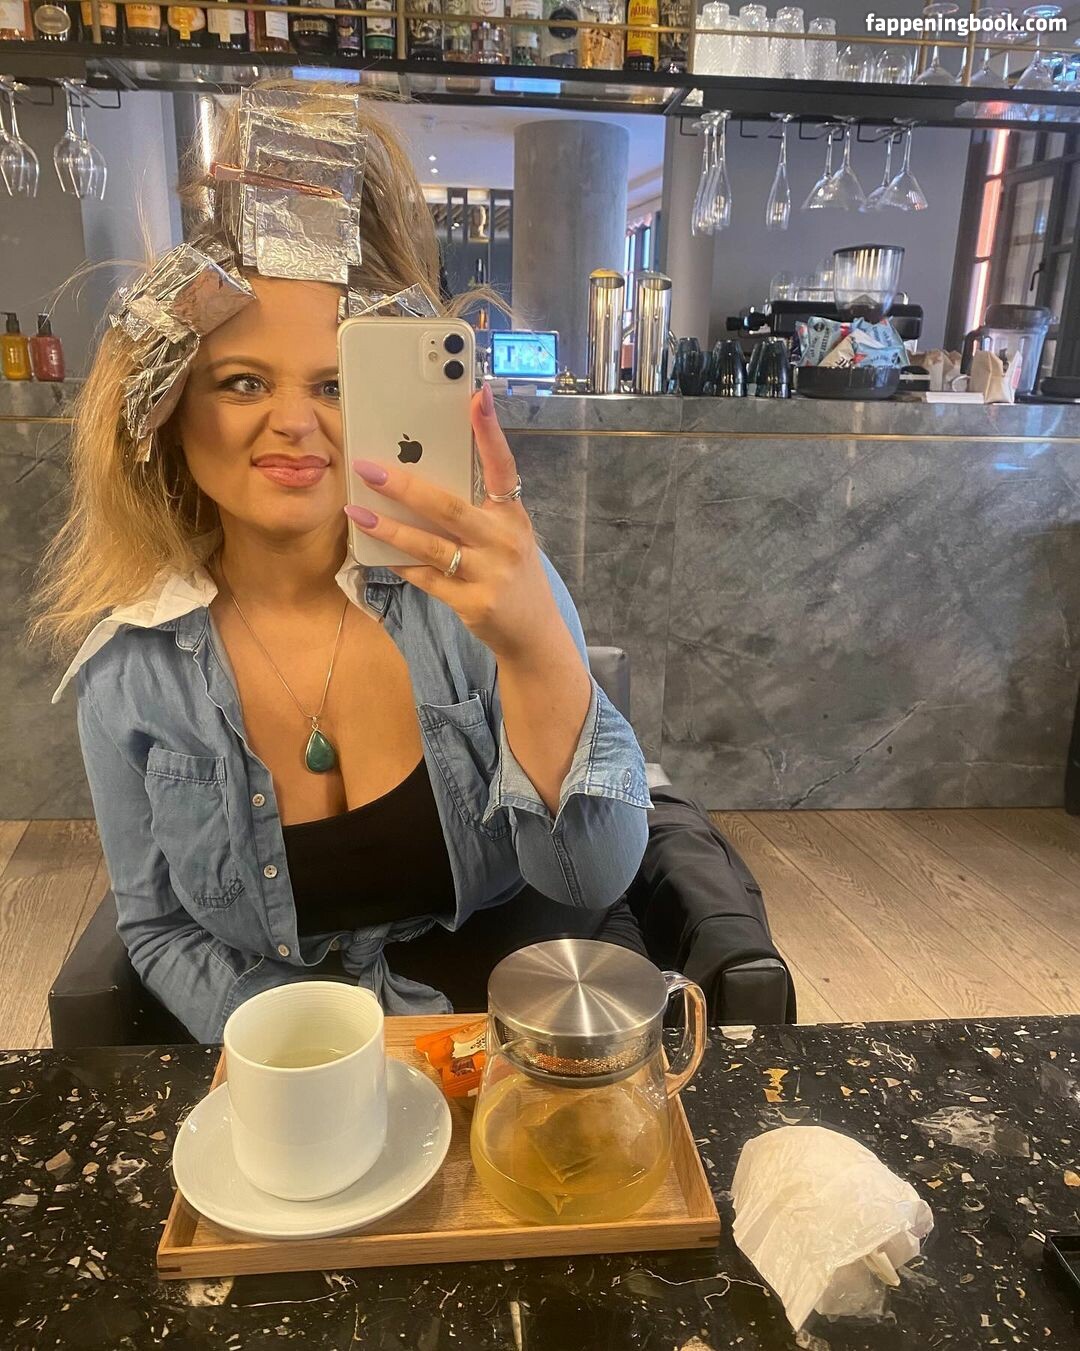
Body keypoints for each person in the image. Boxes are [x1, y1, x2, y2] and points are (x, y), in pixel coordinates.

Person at [33, 81, 651, 1043]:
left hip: (505, 1048)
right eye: (242, 382)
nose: (293, 421)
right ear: (171, 410)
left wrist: (534, 647)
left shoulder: (479, 599)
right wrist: (310, 1061)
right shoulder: (132, 671)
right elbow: (156, 928)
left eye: (333, 383)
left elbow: (589, 876)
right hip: (292, 1071)